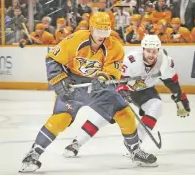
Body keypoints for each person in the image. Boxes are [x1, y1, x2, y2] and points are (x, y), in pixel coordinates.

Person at [19, 12, 157, 173]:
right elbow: (52, 59)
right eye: (99, 31)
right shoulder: (75, 39)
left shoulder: (115, 46)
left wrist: (103, 77)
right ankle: (33, 153)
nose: (102, 36)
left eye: (105, 32)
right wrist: (58, 78)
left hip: (98, 88)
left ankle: (135, 151)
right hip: (73, 86)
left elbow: (112, 71)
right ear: (91, 29)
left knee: (124, 114)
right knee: (61, 119)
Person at [64, 34, 190, 158]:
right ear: (143, 49)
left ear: (158, 50)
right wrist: (122, 91)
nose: (151, 54)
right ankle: (76, 143)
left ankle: (135, 146)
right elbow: (118, 79)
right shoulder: (131, 60)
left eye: (154, 51)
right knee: (103, 115)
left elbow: (171, 81)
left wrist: (180, 98)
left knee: (156, 106)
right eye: (148, 51)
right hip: (120, 89)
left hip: (144, 90)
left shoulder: (165, 61)